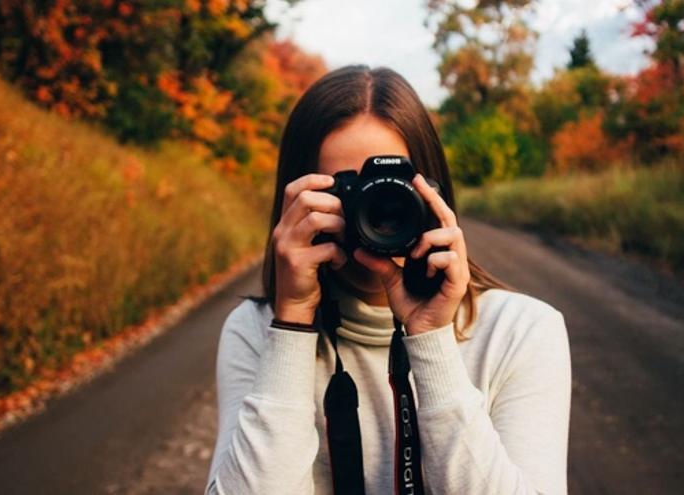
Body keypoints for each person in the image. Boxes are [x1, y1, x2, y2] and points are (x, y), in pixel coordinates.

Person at [205, 65, 571, 495]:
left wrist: (431, 338)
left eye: (392, 188)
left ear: (434, 191)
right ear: (297, 200)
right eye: (348, 190)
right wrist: (292, 321)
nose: (374, 211)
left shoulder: (521, 332)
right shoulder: (256, 330)